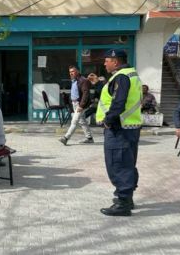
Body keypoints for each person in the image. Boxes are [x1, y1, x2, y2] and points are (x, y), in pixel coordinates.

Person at [95, 49, 142, 217]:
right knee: (127, 163)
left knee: (118, 164)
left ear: (115, 61)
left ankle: (123, 202)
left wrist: (108, 120)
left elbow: (119, 102)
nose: (104, 63)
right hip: (130, 127)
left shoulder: (121, 77)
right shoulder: (131, 75)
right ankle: (127, 198)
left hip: (119, 128)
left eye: (107, 60)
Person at [59, 66, 93, 145]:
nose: (71, 73)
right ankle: (89, 138)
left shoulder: (83, 80)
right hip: (74, 104)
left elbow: (85, 94)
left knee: (74, 121)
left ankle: (66, 138)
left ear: (78, 71)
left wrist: (81, 106)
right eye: (70, 71)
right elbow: (73, 94)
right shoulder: (74, 81)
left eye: (73, 71)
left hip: (80, 104)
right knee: (82, 121)